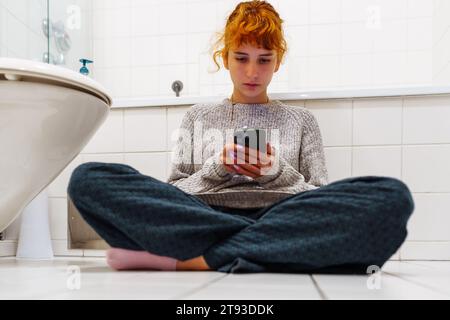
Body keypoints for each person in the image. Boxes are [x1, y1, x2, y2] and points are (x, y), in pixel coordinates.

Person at [67, 0, 414, 273]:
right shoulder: (197, 116)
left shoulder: (302, 119)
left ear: (278, 61)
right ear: (225, 58)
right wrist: (216, 169)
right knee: (88, 180)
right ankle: (277, 252)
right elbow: (171, 194)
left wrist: (277, 171)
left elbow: (320, 195)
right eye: (241, 57)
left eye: (264, 59)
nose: (252, 72)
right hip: (204, 220)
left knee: (392, 198)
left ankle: (198, 260)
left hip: (282, 218)